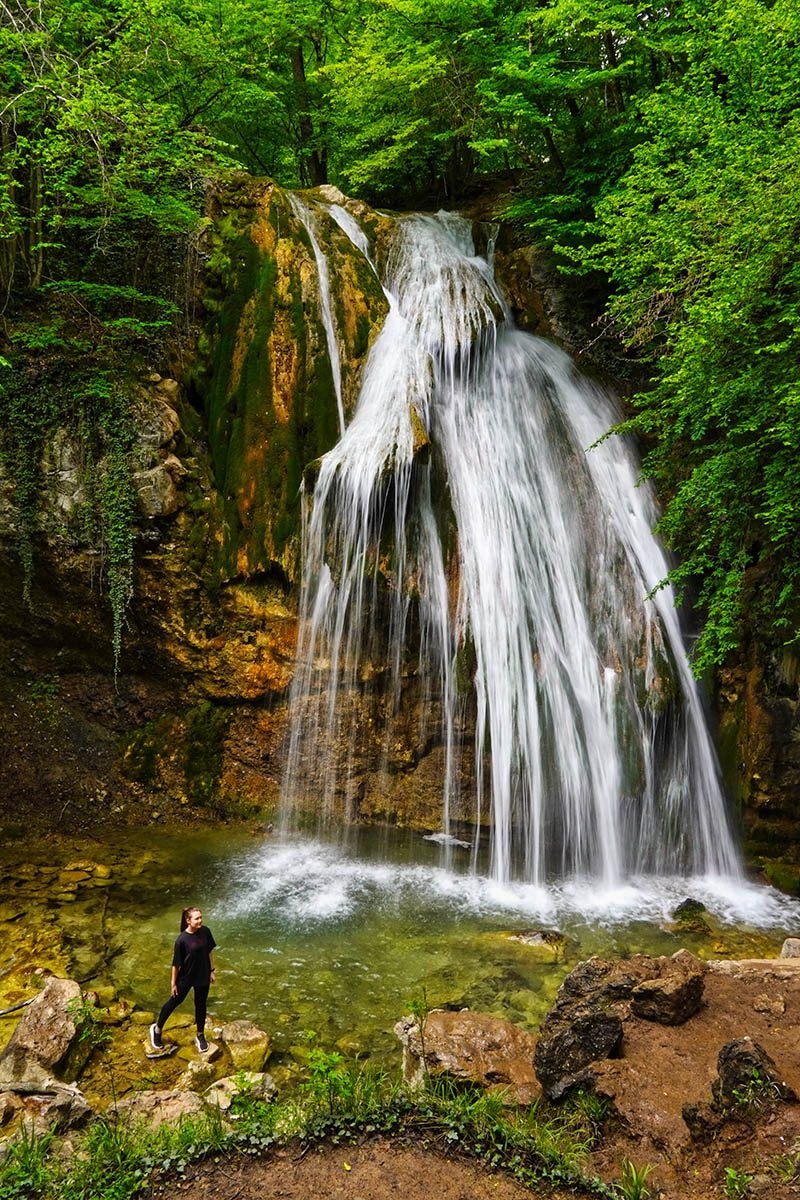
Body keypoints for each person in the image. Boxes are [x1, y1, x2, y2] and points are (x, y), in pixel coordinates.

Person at [150, 906, 217, 1054]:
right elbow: (176, 964)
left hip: (203, 974)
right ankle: (157, 1029)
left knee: (200, 1005)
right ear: (188, 921)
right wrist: (173, 983)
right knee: (174, 1002)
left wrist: (212, 971)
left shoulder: (205, 931)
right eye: (196, 918)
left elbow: (209, 952)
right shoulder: (182, 940)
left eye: (201, 917)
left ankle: (200, 1035)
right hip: (186, 977)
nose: (200, 920)